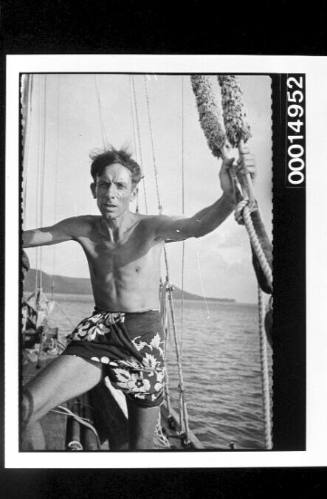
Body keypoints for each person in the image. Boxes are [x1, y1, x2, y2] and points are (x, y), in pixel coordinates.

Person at [22, 145, 254, 450]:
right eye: (104, 184)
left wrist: (228, 197)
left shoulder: (150, 228)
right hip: (99, 331)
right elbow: (27, 236)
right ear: (94, 189)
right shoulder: (84, 227)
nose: (111, 193)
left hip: (142, 338)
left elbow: (199, 226)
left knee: (141, 447)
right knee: (21, 409)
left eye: (120, 185)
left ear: (134, 191)